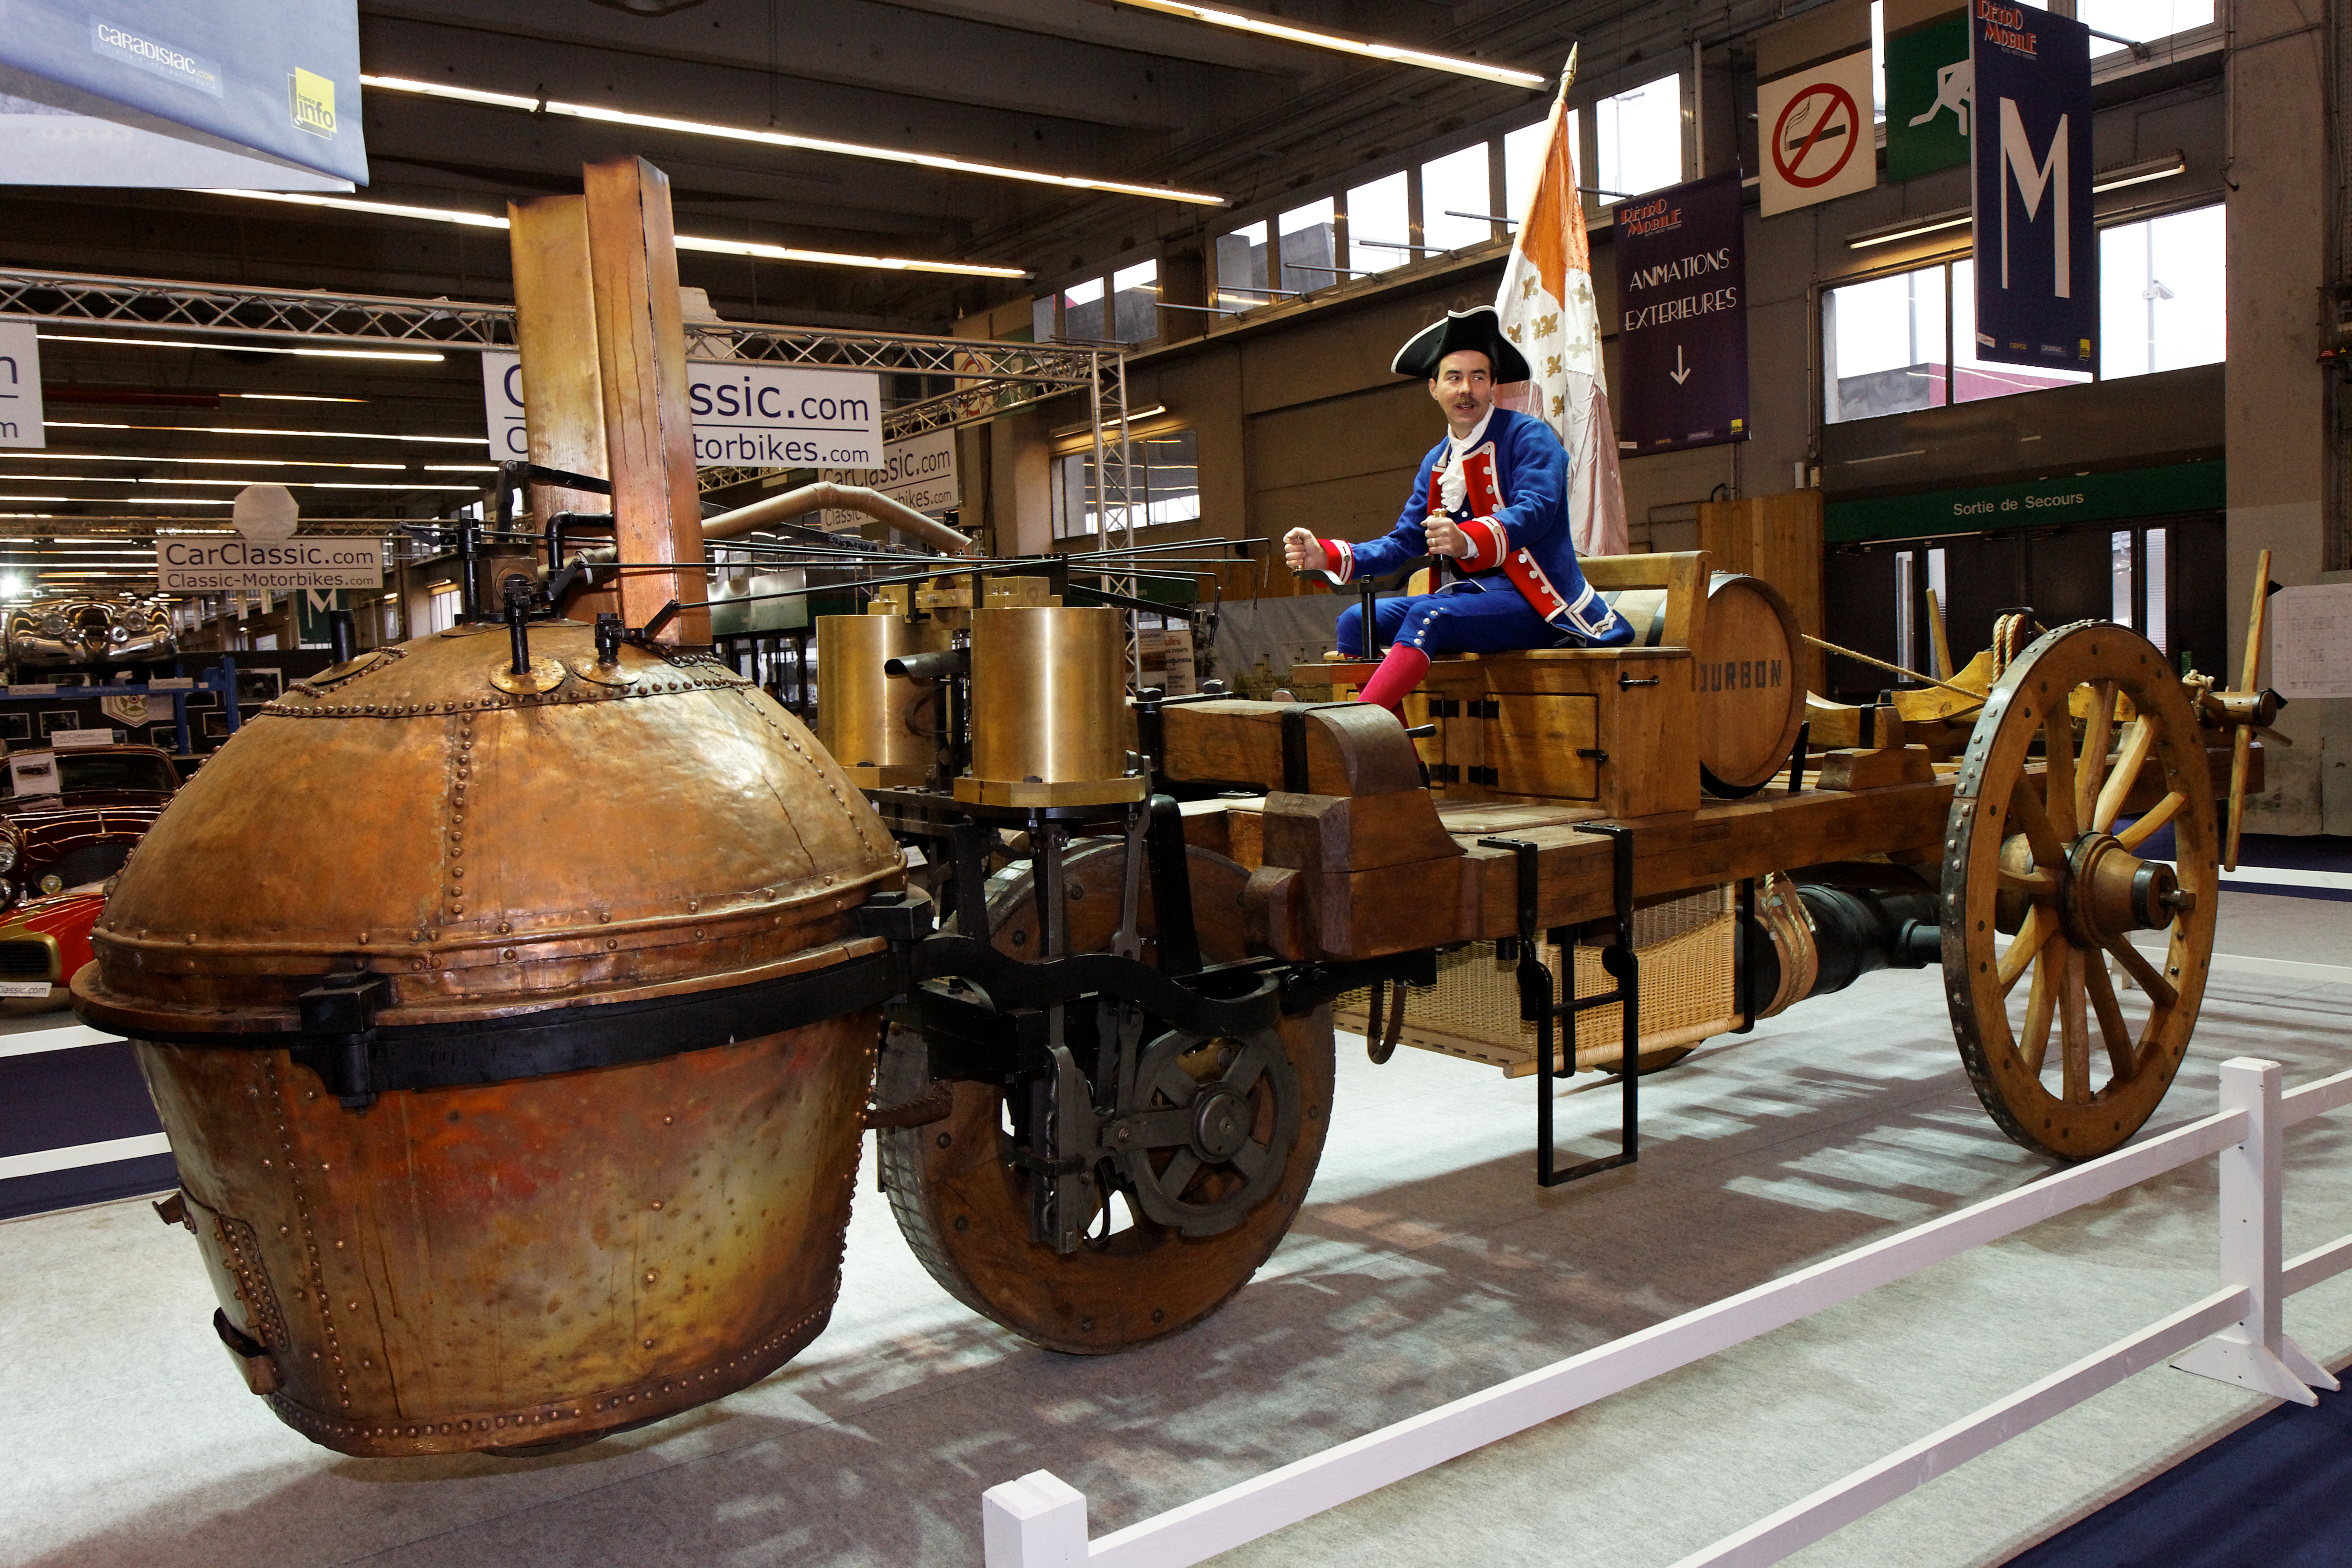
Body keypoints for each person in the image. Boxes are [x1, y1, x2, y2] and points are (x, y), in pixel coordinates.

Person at [1282, 305, 1630, 716]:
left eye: (1478, 377)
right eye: (1454, 377)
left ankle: (1357, 732)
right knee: (1355, 622)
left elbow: (1535, 511)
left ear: (1493, 386)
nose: (1466, 388)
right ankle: (1394, 759)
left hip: (1539, 602)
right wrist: (1330, 555)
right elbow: (1404, 541)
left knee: (1432, 614)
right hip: (1472, 600)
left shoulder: (1531, 436)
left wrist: (1468, 539)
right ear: (1434, 388)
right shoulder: (1438, 461)